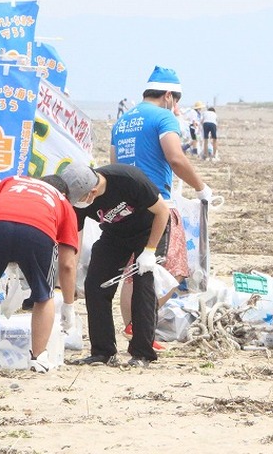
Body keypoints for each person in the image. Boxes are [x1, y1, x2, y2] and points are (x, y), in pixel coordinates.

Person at [110, 66, 213, 342]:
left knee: (132, 271)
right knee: (175, 268)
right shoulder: (164, 118)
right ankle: (143, 324)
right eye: (176, 100)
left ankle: (132, 327)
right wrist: (201, 188)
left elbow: (114, 164)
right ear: (169, 95)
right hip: (157, 205)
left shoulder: (122, 121)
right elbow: (175, 158)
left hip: (125, 206)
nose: (176, 105)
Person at [0, 175, 80, 373]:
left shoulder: (12, 181)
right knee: (44, 295)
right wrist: (68, 306)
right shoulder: (63, 202)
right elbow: (67, 264)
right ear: (65, 194)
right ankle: (39, 359)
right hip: (38, 230)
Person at [61, 162, 171, 367]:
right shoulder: (79, 202)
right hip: (115, 235)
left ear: (93, 191)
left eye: (80, 199)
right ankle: (103, 352)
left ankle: (142, 353)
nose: (78, 204)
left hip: (149, 231)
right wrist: (70, 274)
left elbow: (162, 212)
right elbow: (74, 239)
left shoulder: (128, 179)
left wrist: (149, 251)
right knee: (94, 284)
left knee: (142, 286)